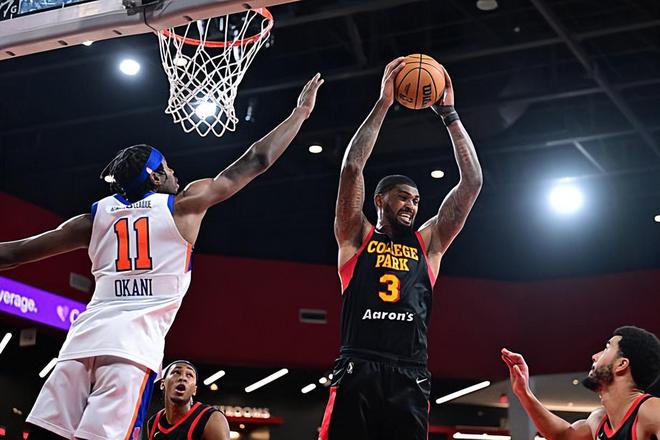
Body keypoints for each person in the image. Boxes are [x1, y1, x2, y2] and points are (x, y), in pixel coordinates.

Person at [0, 73, 323, 440]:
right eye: (167, 168)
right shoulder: (183, 207)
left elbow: (14, 253)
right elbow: (256, 159)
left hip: (80, 345)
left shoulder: (93, 219)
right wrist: (300, 113)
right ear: (155, 178)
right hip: (130, 352)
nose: (174, 172)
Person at [319, 58, 482, 440]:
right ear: (380, 199)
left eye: (416, 200)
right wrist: (384, 103)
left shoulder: (429, 244)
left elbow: (472, 182)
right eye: (403, 197)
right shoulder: (356, 238)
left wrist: (450, 115)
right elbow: (352, 168)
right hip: (359, 365)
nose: (411, 204)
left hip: (410, 371)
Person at [501, 325, 660, 440]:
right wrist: (524, 392)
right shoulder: (598, 420)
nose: (594, 356)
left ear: (621, 364)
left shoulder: (652, 411)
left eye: (606, 348)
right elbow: (563, 435)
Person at [141, 360, 229, 440]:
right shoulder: (153, 423)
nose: (183, 378)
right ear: (162, 384)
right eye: (176, 372)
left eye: (189, 375)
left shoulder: (212, 419)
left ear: (194, 390)